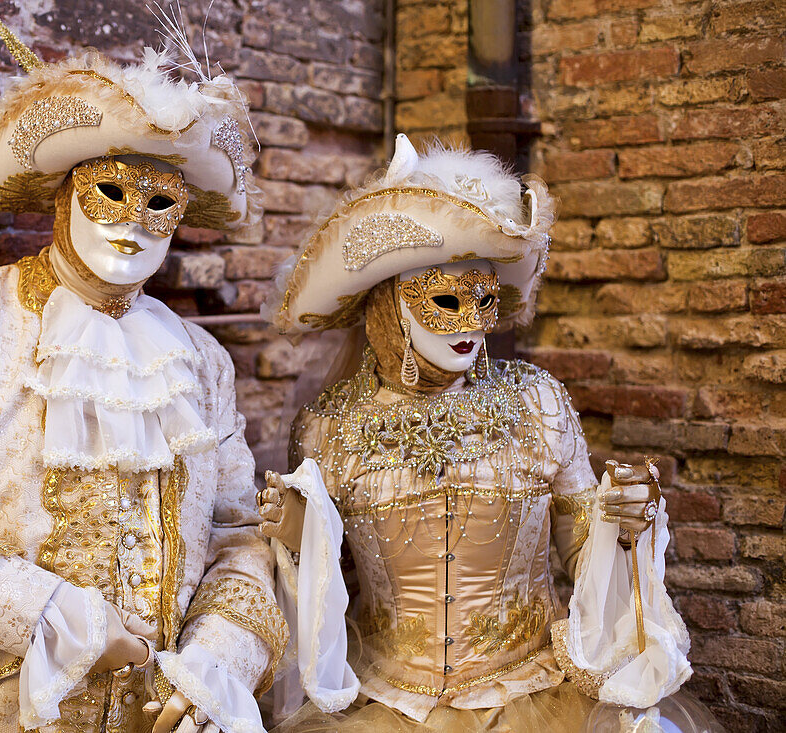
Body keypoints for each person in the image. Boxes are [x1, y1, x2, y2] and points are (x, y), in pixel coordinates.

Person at [0, 10, 285, 733]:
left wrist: (216, 666)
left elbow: (238, 534)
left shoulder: (201, 363)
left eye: (160, 203)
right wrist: (57, 619)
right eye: (110, 191)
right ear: (64, 192)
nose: (134, 221)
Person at [255, 135, 704, 731]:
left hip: (533, 689)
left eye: (484, 300)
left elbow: (578, 540)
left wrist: (620, 522)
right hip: (388, 701)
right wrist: (297, 535)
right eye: (445, 299)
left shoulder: (537, 402)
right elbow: (331, 583)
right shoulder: (329, 428)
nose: (470, 324)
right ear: (391, 304)